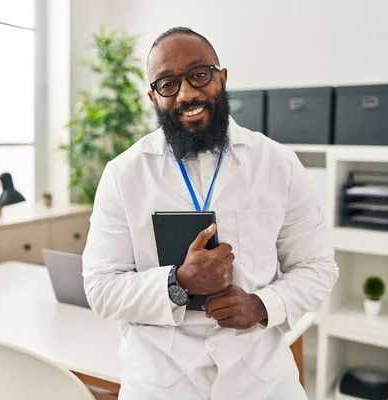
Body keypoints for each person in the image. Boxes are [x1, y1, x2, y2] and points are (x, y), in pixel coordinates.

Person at [82, 26, 338, 400]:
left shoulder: (278, 163)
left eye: (199, 75)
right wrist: (179, 283)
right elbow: (100, 288)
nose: (187, 93)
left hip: (262, 380)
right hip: (161, 382)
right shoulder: (123, 175)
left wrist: (260, 305)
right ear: (153, 97)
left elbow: (319, 268)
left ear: (222, 78)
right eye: (168, 84)